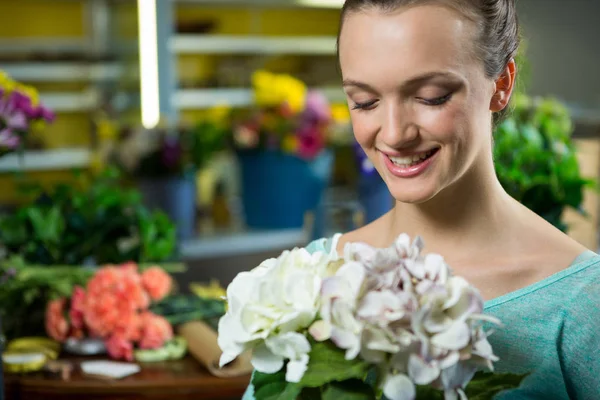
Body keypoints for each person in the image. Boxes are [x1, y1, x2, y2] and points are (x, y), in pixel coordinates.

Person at [242, 0, 600, 398]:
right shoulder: (313, 279)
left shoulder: (583, 304)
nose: (393, 134)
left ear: (501, 84)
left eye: (430, 96)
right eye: (364, 101)